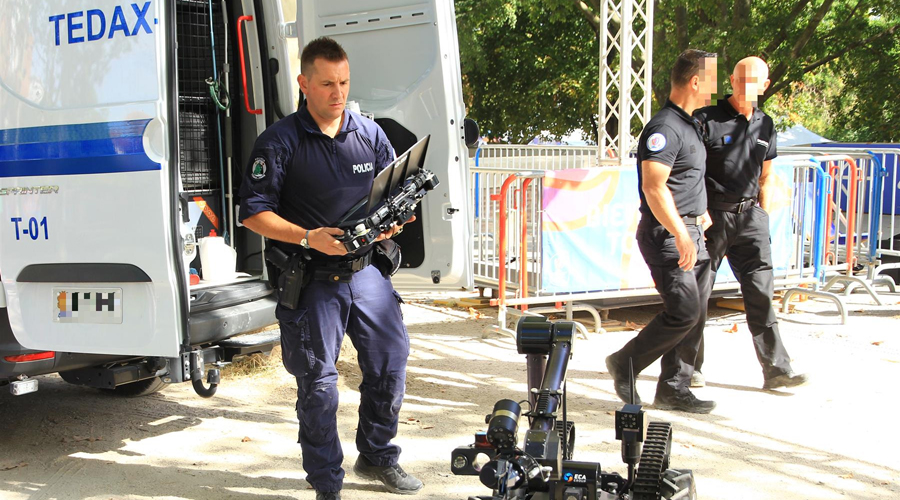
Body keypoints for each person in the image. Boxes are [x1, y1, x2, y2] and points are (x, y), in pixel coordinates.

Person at [238, 37, 423, 500]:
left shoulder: (369, 133)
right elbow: (252, 212)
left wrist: (391, 225)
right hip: (312, 279)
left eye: (343, 82)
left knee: (390, 362)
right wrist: (307, 236)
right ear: (304, 84)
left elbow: (389, 194)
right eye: (326, 84)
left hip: (366, 273)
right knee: (319, 386)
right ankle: (326, 483)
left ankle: (378, 456)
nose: (337, 92)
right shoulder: (279, 141)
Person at [605, 49, 718, 414]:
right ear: (696, 81)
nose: (715, 89)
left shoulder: (690, 125)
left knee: (696, 312)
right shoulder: (665, 128)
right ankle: (626, 363)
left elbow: (685, 180)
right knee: (684, 311)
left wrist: (699, 215)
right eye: (713, 79)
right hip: (668, 234)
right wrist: (680, 232)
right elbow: (655, 186)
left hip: (690, 230)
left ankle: (674, 388)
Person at [692, 57, 808, 391]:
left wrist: (763, 214)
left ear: (765, 85)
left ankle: (776, 370)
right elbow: (691, 171)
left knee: (761, 295)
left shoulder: (765, 125)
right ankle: (689, 368)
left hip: (750, 219)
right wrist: (700, 211)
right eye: (741, 78)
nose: (746, 85)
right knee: (697, 295)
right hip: (712, 217)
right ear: (731, 79)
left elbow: (767, 175)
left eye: (754, 80)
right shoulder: (706, 119)